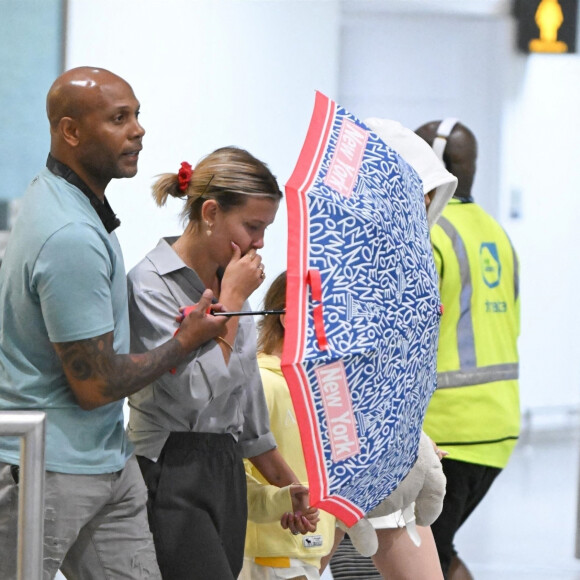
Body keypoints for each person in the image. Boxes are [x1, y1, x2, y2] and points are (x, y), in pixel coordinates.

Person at [0, 67, 227, 580]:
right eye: (119, 119)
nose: (138, 130)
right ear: (71, 132)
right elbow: (95, 383)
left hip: (106, 460)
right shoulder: (70, 234)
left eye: (137, 115)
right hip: (48, 468)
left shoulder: (74, 205)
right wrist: (185, 341)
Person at [126, 146, 316, 580]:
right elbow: (193, 393)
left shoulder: (233, 289)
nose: (260, 243)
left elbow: (247, 412)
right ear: (210, 211)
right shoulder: (150, 285)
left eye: (266, 228)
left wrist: (287, 486)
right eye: (252, 226)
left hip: (224, 468)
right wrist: (228, 303)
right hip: (167, 464)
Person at [322, 117, 458, 580]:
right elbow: (333, 376)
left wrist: (408, 437)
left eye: (427, 198)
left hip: (396, 458)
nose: (423, 207)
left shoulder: (404, 268)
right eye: (413, 196)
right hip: (351, 465)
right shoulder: (342, 271)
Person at [415, 119, 521, 580]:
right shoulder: (497, 233)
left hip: (448, 429)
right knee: (439, 550)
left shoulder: (431, 231)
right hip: (498, 425)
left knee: (420, 558)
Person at [240, 271, 336, 580]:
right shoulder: (262, 383)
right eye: (324, 313)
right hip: (271, 554)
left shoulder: (325, 390)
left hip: (309, 552)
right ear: (286, 316)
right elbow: (235, 476)